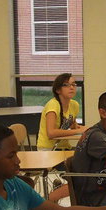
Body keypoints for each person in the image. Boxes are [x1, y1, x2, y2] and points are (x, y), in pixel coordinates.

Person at [36, 73, 87, 202]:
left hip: (63, 149)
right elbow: (51, 133)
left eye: (74, 84)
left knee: (85, 171)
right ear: (58, 90)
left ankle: (56, 192)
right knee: (77, 178)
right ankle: (45, 203)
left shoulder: (74, 105)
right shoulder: (53, 105)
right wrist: (74, 133)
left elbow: (75, 127)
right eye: (66, 85)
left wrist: (92, 129)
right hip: (48, 151)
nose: (72, 87)